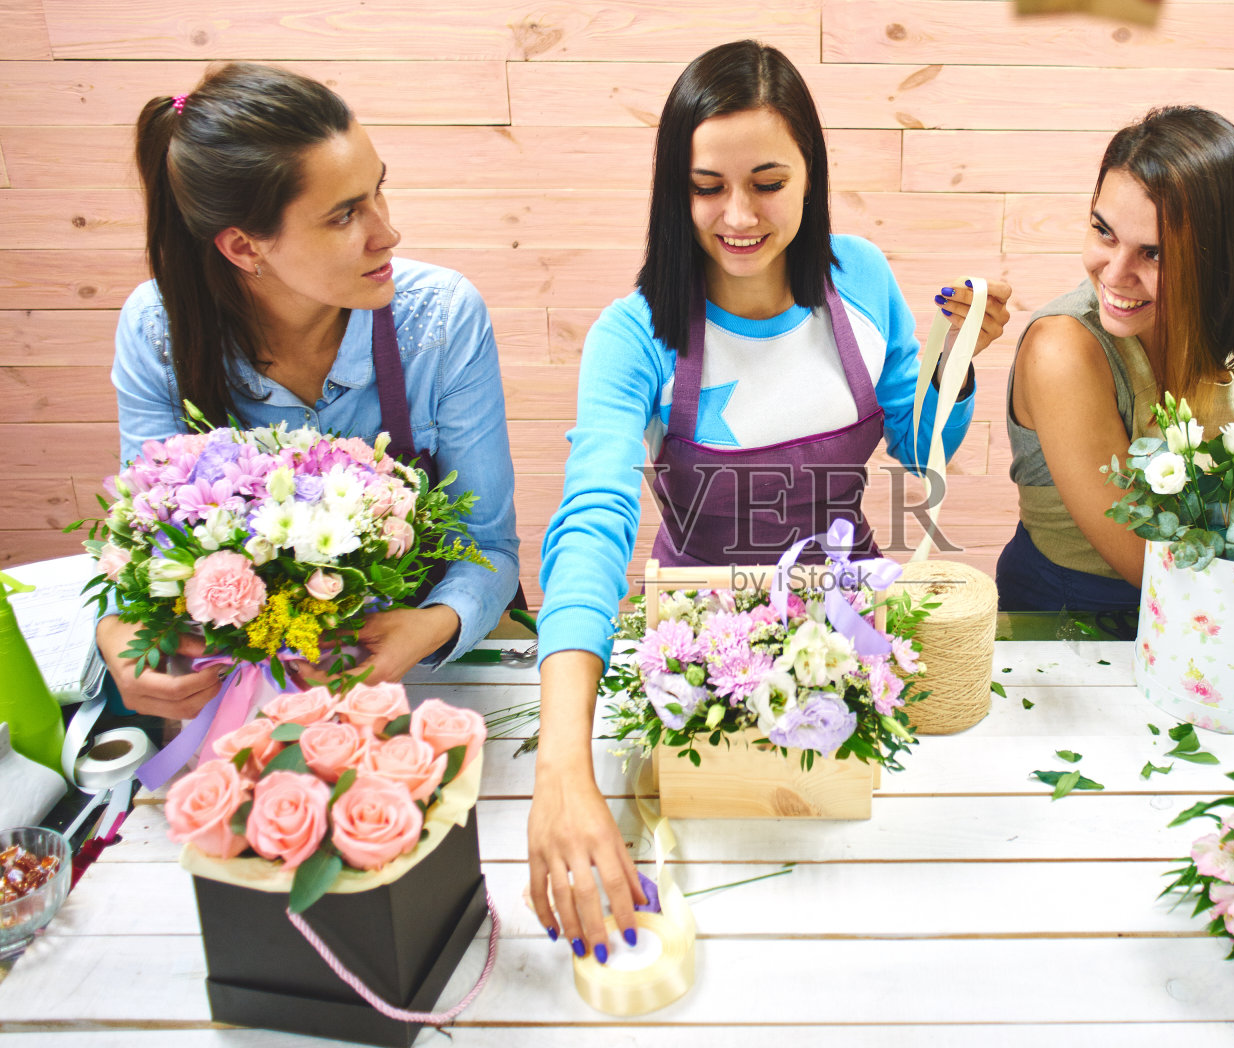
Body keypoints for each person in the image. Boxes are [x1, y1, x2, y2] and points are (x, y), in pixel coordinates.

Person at [526, 40, 1012, 963]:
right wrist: (562, 765)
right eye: (707, 186)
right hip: (697, 656)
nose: (738, 214)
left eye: (767, 181)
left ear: (810, 176)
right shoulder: (636, 336)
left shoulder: (860, 280)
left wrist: (960, 359)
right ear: (676, 188)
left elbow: (920, 446)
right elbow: (590, 524)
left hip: (855, 642)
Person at [99, 62, 521, 718]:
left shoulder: (441, 318)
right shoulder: (157, 331)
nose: (387, 232)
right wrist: (115, 632)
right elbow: (144, 543)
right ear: (244, 247)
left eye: (378, 192)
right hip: (243, 686)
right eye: (345, 214)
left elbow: (489, 545)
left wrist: (431, 623)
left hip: (430, 675)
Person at [997, 105, 1234, 614]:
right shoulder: (1062, 351)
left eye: (1154, 253)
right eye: (1104, 231)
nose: (1116, 274)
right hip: (1078, 620)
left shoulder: (1186, 315)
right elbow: (1149, 561)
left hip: (1196, 618)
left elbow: (1205, 389)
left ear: (1218, 259)